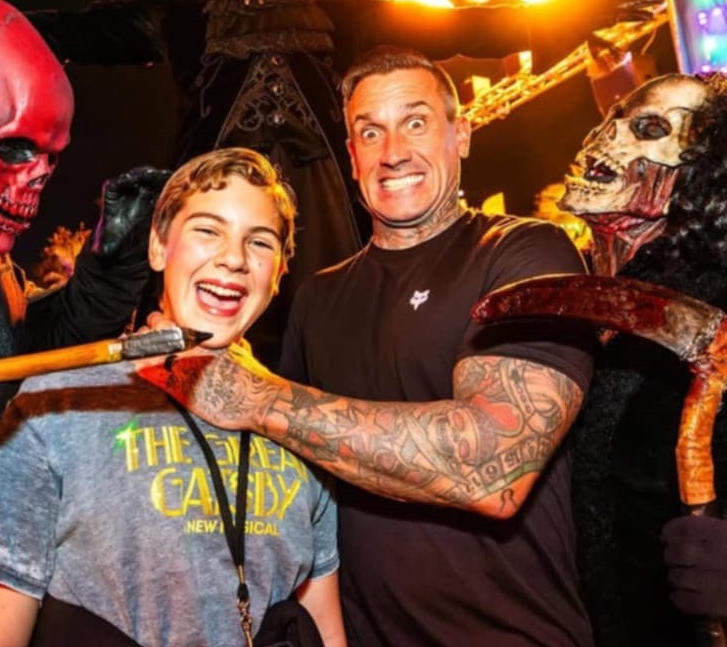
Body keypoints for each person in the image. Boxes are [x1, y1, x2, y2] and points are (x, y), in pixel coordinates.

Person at [27, 0, 650, 367]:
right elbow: (89, 31)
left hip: (324, 214)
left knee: (330, 341)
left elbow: (450, 28)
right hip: (219, 202)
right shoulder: (182, 4)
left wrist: (568, 15)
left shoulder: (335, 2)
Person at [136, 45, 598, 647]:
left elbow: (495, 470)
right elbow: (293, 479)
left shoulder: (526, 253)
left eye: (415, 123)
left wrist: (257, 397)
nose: (393, 151)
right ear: (351, 155)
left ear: (460, 135)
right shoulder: (318, 298)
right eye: (370, 132)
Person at [0, 147, 346, 647]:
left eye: (259, 241)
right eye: (207, 230)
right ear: (158, 247)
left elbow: (323, 629)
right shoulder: (53, 407)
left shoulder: (303, 425)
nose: (234, 258)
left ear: (280, 273)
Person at [0, 0, 165, 646]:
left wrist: (109, 270)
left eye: (51, 157)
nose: (37, 177)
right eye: (13, 149)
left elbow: (26, 368)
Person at [559, 72, 727, 646]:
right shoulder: (579, 294)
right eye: (611, 120)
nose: (604, 140)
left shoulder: (714, 302)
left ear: (699, 170)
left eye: (649, 130)